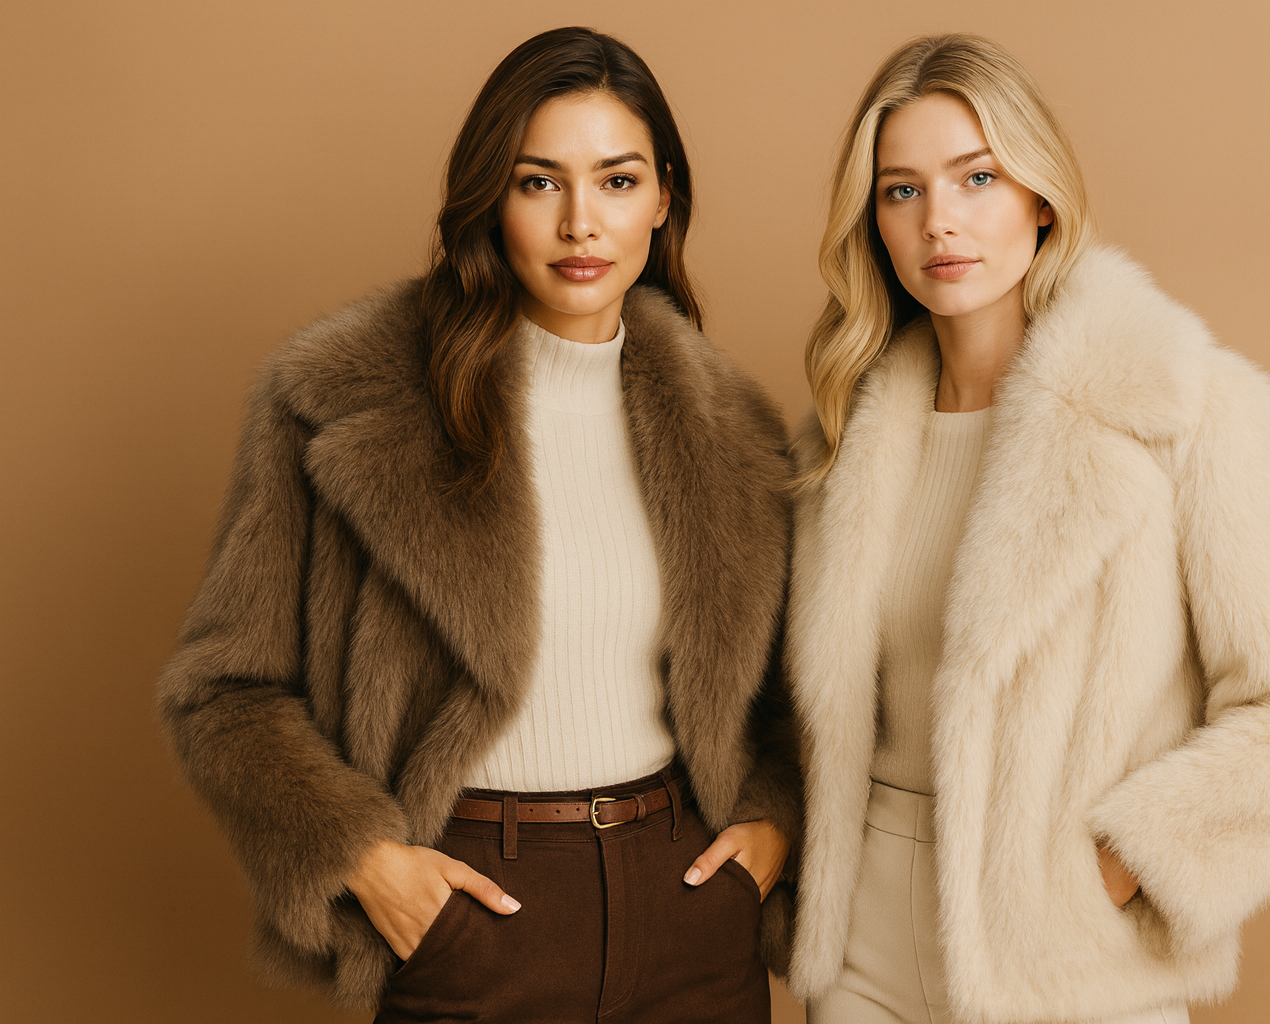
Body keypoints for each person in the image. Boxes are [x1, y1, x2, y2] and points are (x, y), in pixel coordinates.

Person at [157, 27, 797, 1024]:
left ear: (664, 196)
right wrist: (365, 860)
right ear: (489, 197)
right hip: (470, 921)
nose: (582, 222)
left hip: (690, 914)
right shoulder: (334, 397)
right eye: (540, 182)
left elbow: (800, 693)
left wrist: (774, 826)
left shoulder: (737, 433)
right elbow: (222, 693)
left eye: (617, 181)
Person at [784, 33, 1270, 1024]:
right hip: (865, 950)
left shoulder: (1188, 408)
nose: (942, 218)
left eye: (976, 177)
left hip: (1068, 956)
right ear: (874, 224)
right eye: (902, 190)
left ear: (1040, 195)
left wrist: (1118, 863)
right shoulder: (841, 438)